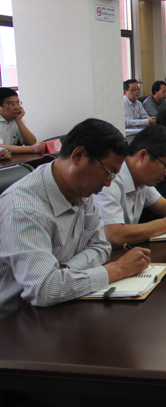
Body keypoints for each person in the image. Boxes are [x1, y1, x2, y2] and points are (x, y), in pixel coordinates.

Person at [0, 118, 152, 319]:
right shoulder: (24, 208)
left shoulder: (81, 191)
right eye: (109, 172)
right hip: (17, 322)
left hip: (62, 308)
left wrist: (65, 271)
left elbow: (101, 247)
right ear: (78, 155)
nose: (108, 183)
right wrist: (117, 269)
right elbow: (44, 289)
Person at [93, 125, 166, 248]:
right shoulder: (110, 181)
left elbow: (164, 206)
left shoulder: (142, 179)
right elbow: (114, 235)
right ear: (143, 156)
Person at [0, 87, 44, 154]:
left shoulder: (17, 119)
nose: (17, 107)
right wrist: (31, 149)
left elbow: (32, 143)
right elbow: (0, 147)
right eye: (11, 104)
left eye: (17, 103)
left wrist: (19, 121)